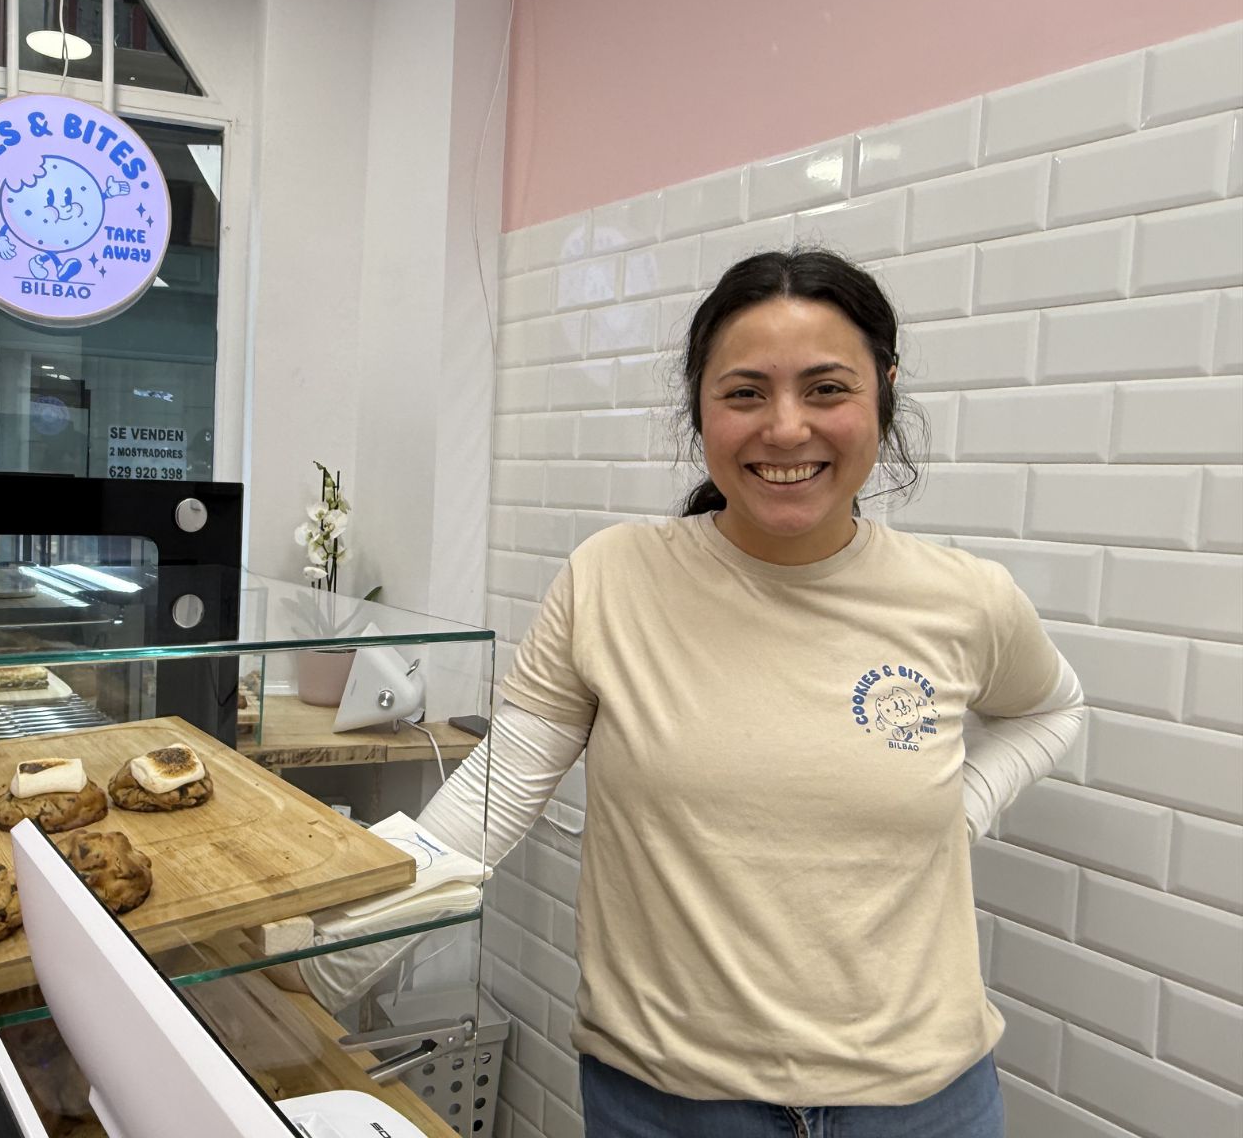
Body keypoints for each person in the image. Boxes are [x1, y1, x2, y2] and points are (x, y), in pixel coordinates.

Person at [287, 248, 1085, 1137]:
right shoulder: (614, 579)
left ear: (885, 392)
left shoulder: (963, 598)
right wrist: (311, 968)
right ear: (699, 406)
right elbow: (487, 802)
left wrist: (964, 806)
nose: (786, 428)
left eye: (827, 389)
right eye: (745, 393)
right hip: (669, 1104)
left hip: (923, 1105)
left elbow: (1052, 709)